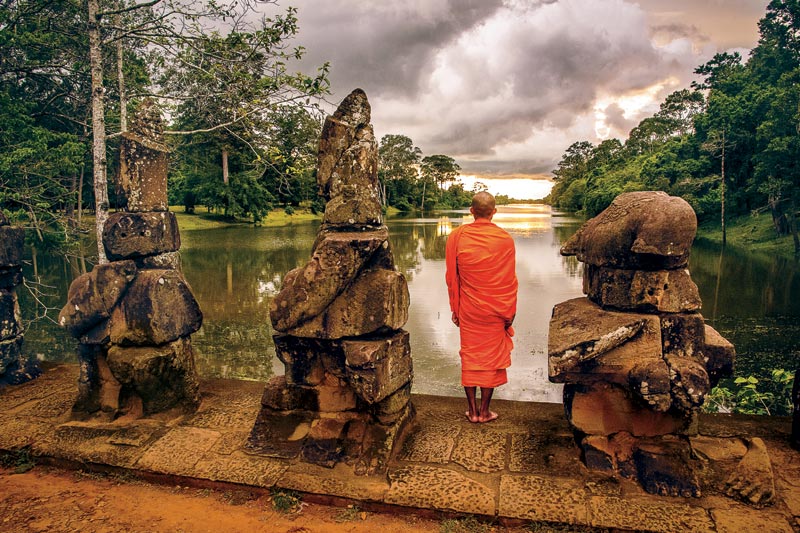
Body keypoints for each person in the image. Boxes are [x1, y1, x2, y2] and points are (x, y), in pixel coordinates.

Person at [445, 192, 518, 423]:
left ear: (471, 211)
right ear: (494, 212)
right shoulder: (505, 239)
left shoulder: (457, 236)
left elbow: (451, 277)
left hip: (469, 309)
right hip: (496, 310)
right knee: (490, 360)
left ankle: (472, 410)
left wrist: (455, 308)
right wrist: (510, 313)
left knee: (471, 356)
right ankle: (484, 411)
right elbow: (509, 281)